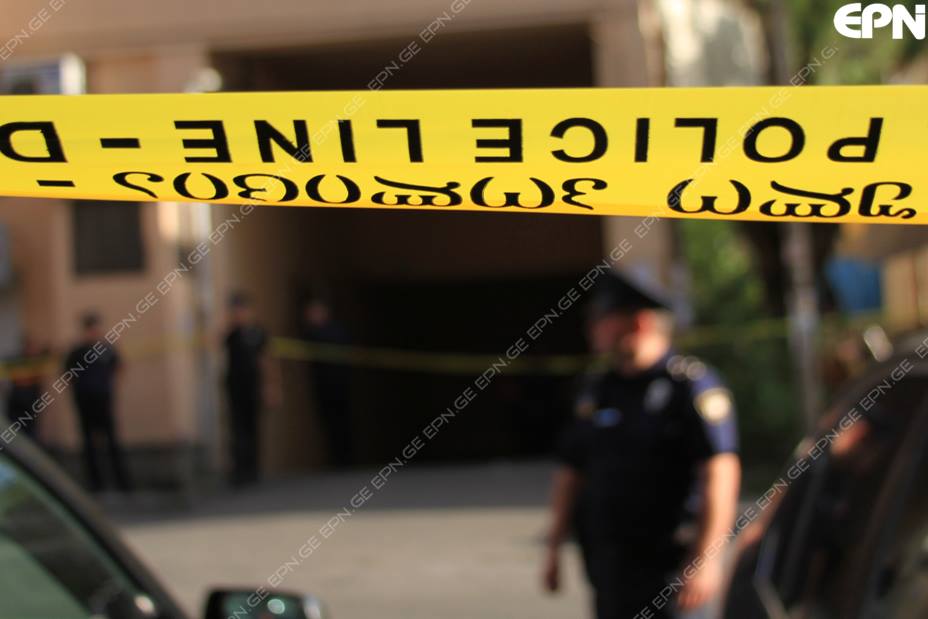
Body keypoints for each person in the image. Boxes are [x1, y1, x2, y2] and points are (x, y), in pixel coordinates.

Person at [542, 270, 741, 619]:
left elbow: (720, 472)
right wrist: (554, 545)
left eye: (601, 319)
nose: (592, 329)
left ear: (639, 322)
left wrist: (707, 560)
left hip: (671, 572)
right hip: (611, 571)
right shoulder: (598, 388)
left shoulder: (688, 387)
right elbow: (571, 470)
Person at [65, 312, 130, 493]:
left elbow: (119, 368)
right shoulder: (77, 352)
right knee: (88, 443)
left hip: (104, 400)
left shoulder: (107, 349)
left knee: (112, 440)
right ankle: (95, 483)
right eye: (91, 329)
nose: (94, 333)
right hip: (85, 401)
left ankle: (121, 482)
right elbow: (68, 375)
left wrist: (110, 388)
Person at [223, 292, 271, 486]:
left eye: (241, 310)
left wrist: (270, 387)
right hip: (235, 387)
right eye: (235, 311)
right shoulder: (232, 334)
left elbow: (266, 360)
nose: (238, 314)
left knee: (252, 428)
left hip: (253, 386)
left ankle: (253, 469)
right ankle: (239, 470)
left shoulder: (258, 333)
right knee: (237, 429)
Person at [301, 295, 353, 467]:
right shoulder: (311, 333)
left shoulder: (335, 331)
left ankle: (346, 458)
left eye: (314, 312)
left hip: (339, 384)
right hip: (322, 385)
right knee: (328, 422)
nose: (311, 316)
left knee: (342, 421)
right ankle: (336, 458)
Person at [4, 336, 48, 442]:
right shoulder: (16, 361)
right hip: (17, 401)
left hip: (31, 403)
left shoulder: (40, 363)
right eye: (31, 346)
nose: (33, 349)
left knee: (30, 433)